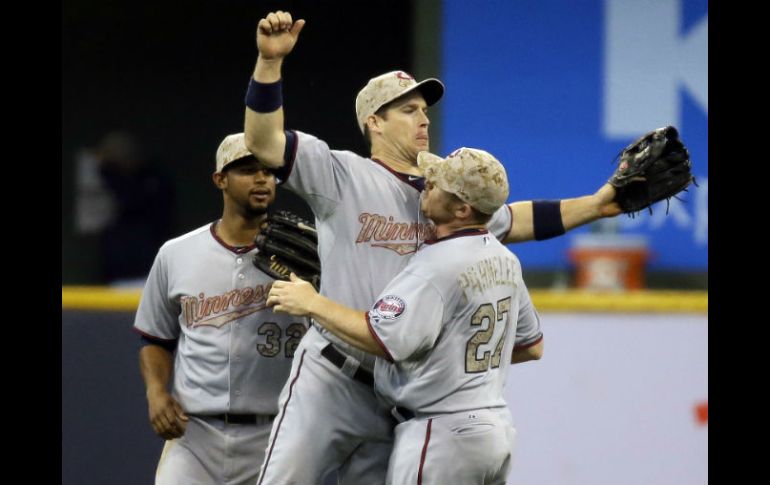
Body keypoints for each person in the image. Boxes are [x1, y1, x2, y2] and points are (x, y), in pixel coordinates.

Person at [243, 11, 620, 484]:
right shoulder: (341, 174)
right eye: (407, 109)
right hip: (332, 378)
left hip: (398, 391)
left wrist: (599, 205)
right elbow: (263, 142)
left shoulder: (446, 195)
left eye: (424, 109)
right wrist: (268, 63)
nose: (423, 118)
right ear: (373, 122)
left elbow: (516, 218)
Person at [267, 147, 543, 484]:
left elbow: (381, 339)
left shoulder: (436, 265)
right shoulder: (506, 261)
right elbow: (532, 346)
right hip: (495, 432)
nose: (427, 183)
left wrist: (313, 303)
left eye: (439, 184)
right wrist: (455, 355)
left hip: (441, 433)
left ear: (462, 208)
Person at [132, 133, 310, 485]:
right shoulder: (176, 253)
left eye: (268, 171)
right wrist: (156, 392)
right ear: (220, 179)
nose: (261, 179)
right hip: (195, 435)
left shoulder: (306, 254)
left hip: (277, 432)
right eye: (247, 170)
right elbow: (156, 338)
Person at [74, 131, 175, 286]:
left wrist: (108, 172)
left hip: (147, 273)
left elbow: (132, 200)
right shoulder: (112, 182)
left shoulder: (153, 182)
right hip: (117, 275)